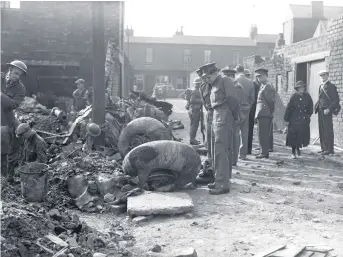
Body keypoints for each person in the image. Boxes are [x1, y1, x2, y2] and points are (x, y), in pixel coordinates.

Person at [201, 62, 240, 195]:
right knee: (216, 151)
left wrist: (234, 116)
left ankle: (223, 184)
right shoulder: (213, 85)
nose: (207, 79)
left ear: (215, 72)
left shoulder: (225, 81)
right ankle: (219, 179)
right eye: (205, 78)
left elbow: (233, 99)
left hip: (224, 115)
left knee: (221, 151)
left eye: (208, 76)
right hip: (217, 116)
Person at [1, 60, 27, 180]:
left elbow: (14, 104)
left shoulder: (20, 88)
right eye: (15, 73)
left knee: (6, 148)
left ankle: (5, 177)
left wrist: (1, 96)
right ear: (10, 69)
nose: (17, 77)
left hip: (6, 119)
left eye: (19, 75)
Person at [284, 81, 314, 159]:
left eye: (303, 87)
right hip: (294, 119)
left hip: (303, 120)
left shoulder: (307, 96)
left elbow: (311, 106)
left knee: (300, 136)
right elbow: (288, 108)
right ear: (297, 89)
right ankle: (293, 151)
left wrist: (308, 115)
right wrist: (286, 119)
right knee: (293, 136)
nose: (302, 89)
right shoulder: (293, 97)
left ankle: (298, 148)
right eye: (300, 87)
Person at [221, 67, 244, 169]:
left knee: (234, 137)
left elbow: (236, 103)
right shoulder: (229, 86)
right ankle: (230, 159)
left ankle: (234, 160)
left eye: (227, 76)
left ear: (231, 76)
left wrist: (235, 116)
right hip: (228, 115)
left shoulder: (237, 87)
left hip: (234, 115)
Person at [315, 70, 340, 155]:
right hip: (320, 110)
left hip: (327, 111)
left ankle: (329, 149)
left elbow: (336, 100)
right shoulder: (320, 86)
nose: (322, 77)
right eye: (321, 76)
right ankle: (323, 148)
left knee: (328, 130)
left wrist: (329, 109)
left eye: (324, 75)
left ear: (327, 76)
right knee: (321, 129)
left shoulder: (331, 86)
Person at [196, 68, 214, 184]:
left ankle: (213, 168)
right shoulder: (202, 87)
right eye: (202, 76)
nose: (204, 78)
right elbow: (204, 104)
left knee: (216, 144)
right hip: (207, 115)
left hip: (216, 115)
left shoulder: (214, 86)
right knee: (208, 141)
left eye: (205, 76)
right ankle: (210, 164)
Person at [234, 65, 255, 160]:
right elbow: (252, 98)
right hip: (246, 109)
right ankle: (243, 154)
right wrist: (248, 106)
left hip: (236, 108)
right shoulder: (250, 82)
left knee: (235, 131)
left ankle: (235, 153)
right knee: (244, 132)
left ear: (236, 71)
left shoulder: (234, 81)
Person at [254, 68, 276, 159]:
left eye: (261, 76)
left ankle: (264, 152)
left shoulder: (267, 87)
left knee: (263, 133)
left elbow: (270, 101)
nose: (259, 78)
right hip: (261, 112)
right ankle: (263, 150)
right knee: (261, 133)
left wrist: (270, 112)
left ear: (266, 76)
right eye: (257, 77)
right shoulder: (263, 86)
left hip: (264, 112)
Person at [247, 70, 261, 154]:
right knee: (249, 130)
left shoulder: (238, 82)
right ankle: (248, 149)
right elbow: (256, 99)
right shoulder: (254, 84)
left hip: (247, 110)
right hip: (251, 109)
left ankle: (242, 149)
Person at [186, 78, 203, 145]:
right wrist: (202, 101)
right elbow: (192, 100)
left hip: (192, 110)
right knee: (194, 125)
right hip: (195, 110)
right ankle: (192, 140)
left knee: (193, 125)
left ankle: (192, 139)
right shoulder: (196, 91)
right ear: (199, 84)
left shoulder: (194, 90)